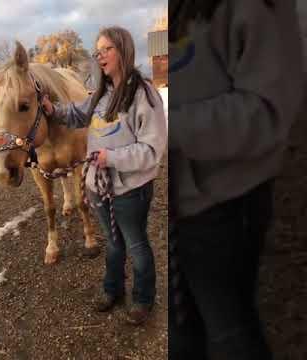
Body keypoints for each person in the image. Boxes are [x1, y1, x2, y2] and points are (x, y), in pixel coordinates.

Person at [168, 0, 303, 359]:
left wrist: (168, 127)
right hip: (169, 204)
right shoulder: (158, 17)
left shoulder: (256, 6)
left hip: (225, 201)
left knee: (228, 331)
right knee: (179, 333)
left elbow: (269, 111)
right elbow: (160, 85)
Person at [42, 26, 167, 325]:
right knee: (113, 243)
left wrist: (110, 158)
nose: (99, 56)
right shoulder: (101, 94)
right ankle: (113, 290)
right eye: (97, 51)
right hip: (99, 188)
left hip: (130, 189)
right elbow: (76, 114)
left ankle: (142, 298)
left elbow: (152, 151)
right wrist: (51, 108)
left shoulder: (144, 95)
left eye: (106, 49)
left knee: (136, 246)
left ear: (123, 50)